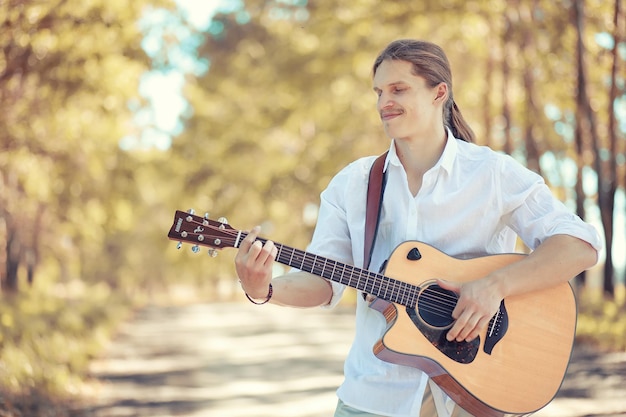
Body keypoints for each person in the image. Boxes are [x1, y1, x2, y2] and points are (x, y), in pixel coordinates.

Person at [234, 39, 602, 417]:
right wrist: (265, 289)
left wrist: (495, 286)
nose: (383, 103)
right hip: (375, 398)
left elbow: (580, 245)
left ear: (438, 92)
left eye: (398, 89)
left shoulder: (491, 174)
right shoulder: (353, 184)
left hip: (477, 396)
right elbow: (325, 280)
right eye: (378, 92)